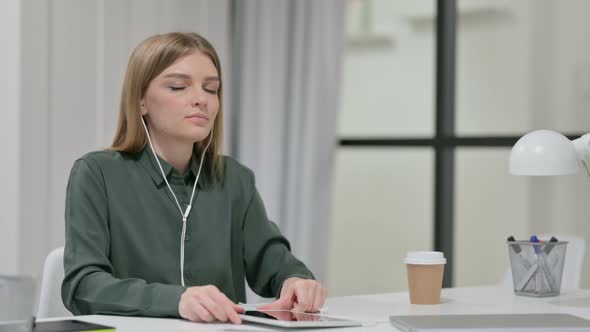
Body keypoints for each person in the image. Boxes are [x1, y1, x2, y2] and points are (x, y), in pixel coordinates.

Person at [61, 32, 326, 324]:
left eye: (211, 89)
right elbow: (83, 286)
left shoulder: (235, 179)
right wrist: (177, 300)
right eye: (178, 86)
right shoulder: (97, 174)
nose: (201, 99)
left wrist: (295, 281)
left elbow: (274, 262)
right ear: (141, 101)